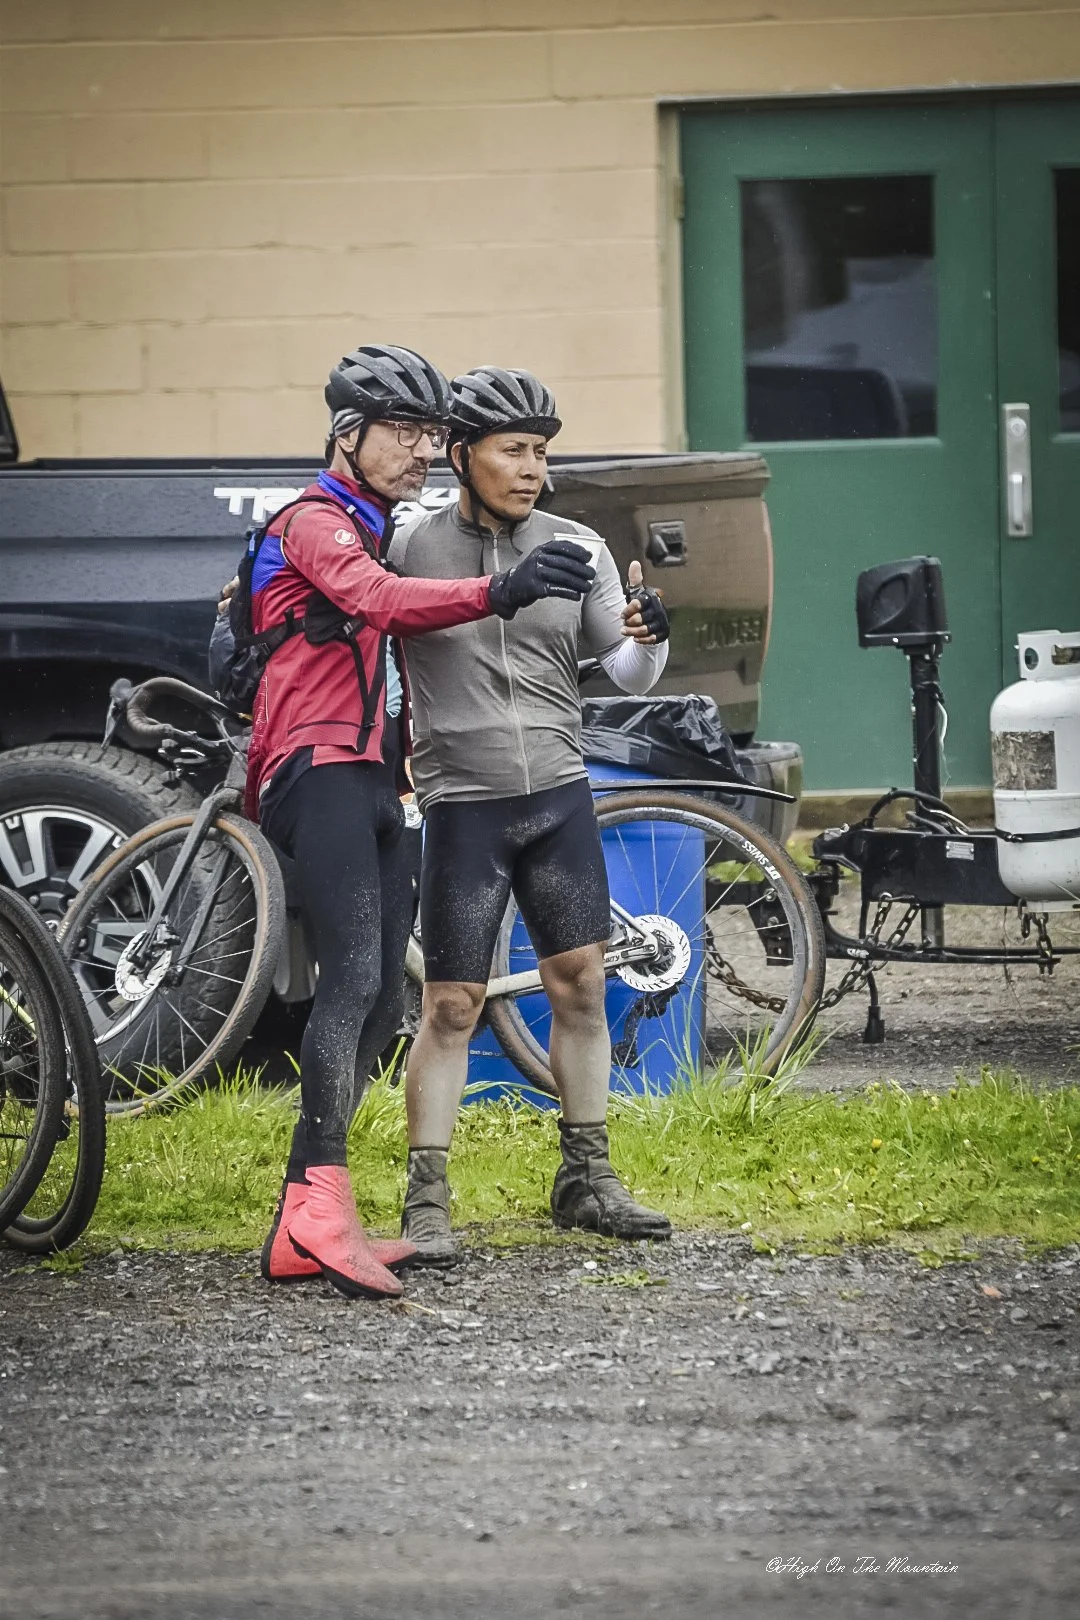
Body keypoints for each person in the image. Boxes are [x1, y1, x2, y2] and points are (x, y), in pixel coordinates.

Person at [248, 346, 597, 1299]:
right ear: (346, 434)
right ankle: (313, 1214)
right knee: (354, 978)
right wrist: (497, 591)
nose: (423, 450)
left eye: (433, 434)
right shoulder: (315, 521)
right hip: (313, 768)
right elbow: (378, 603)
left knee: (377, 1010)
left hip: (371, 778)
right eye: (402, 430)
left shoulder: (372, 523)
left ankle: (313, 1214)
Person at [388, 366, 674, 1266]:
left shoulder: (576, 546)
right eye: (513, 451)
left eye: (542, 453)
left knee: (583, 983)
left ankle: (585, 1178)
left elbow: (625, 675)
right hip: (463, 804)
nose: (531, 470)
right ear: (463, 454)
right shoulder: (407, 547)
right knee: (450, 1006)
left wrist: (650, 636)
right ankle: (426, 1199)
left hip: (556, 792)